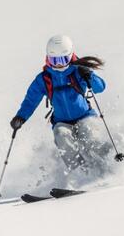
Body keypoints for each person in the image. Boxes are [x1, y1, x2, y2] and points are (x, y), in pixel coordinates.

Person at [10, 35, 111, 177]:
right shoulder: (44, 79)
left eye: (62, 60)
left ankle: (107, 167)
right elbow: (30, 100)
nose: (58, 64)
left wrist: (90, 75)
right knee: (62, 137)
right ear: (47, 58)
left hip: (85, 116)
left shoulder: (78, 71)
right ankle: (81, 174)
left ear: (70, 56)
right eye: (53, 60)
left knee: (90, 136)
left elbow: (100, 88)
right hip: (61, 122)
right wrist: (21, 117)